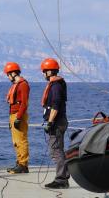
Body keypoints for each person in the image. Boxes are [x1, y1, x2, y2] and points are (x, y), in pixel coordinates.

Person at [40, 57, 70, 189]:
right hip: (59, 121)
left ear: (50, 71)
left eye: (44, 71)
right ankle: (63, 177)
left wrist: (50, 122)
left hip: (57, 123)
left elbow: (55, 105)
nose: (43, 74)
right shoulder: (57, 84)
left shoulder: (56, 86)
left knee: (56, 150)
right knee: (58, 149)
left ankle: (61, 179)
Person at [3, 62, 30, 174]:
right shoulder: (16, 84)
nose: (8, 77)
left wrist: (18, 118)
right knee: (16, 141)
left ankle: (23, 164)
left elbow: (24, 103)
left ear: (13, 73)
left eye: (8, 74)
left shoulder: (23, 84)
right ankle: (19, 162)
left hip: (19, 114)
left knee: (21, 140)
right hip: (13, 115)